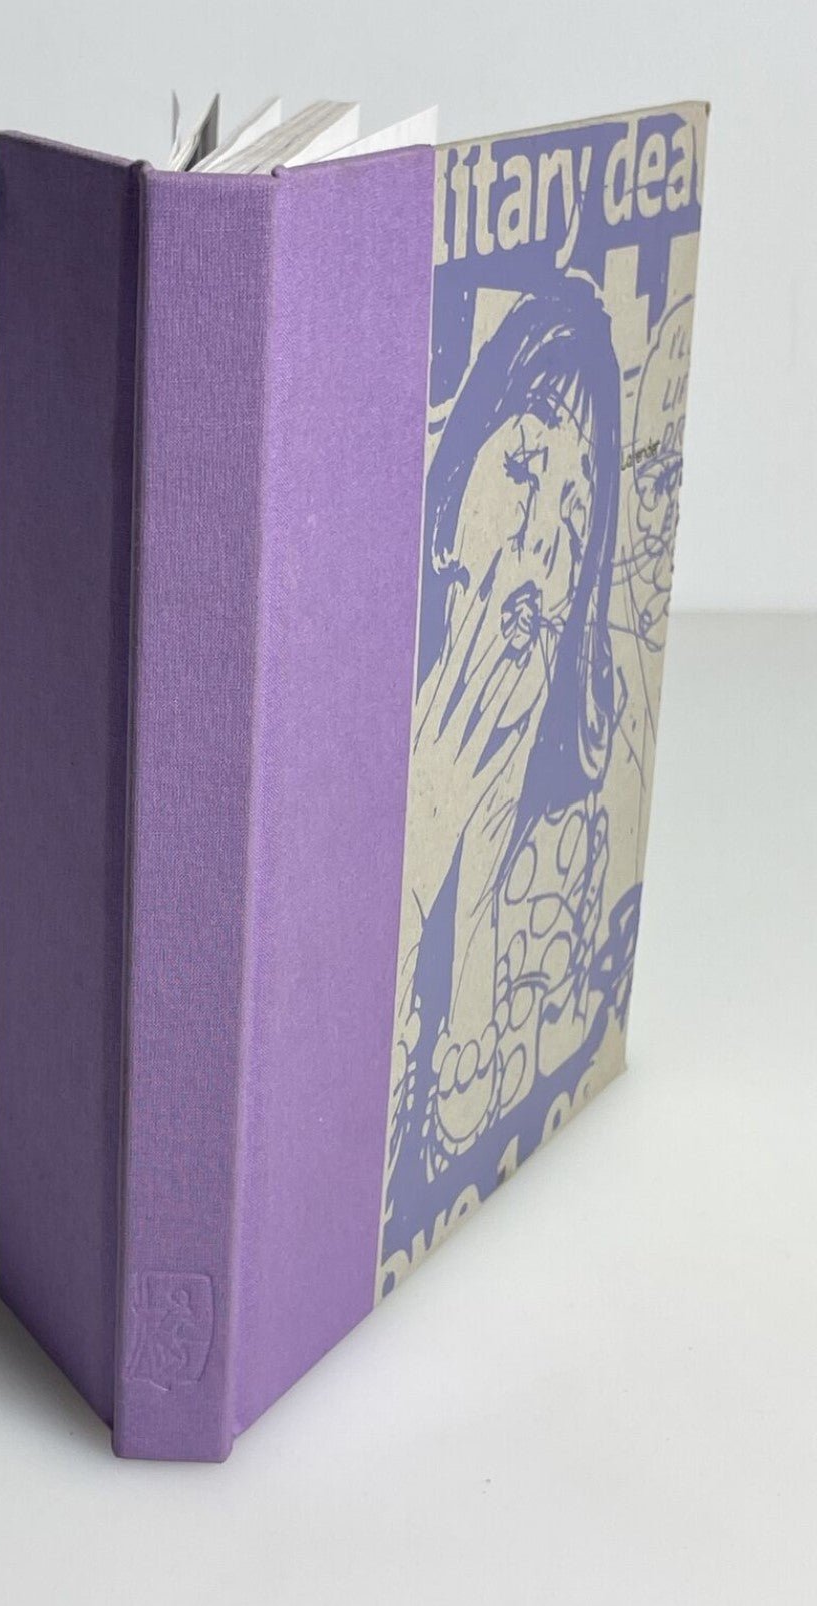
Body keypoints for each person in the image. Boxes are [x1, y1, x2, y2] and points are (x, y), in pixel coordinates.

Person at [382, 277, 623, 1269]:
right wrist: (423, 844)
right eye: (524, 468)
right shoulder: (332, 761)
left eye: (577, 509)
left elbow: (457, 1149)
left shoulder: (569, 852)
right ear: (443, 519)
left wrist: (477, 881)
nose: (542, 543)